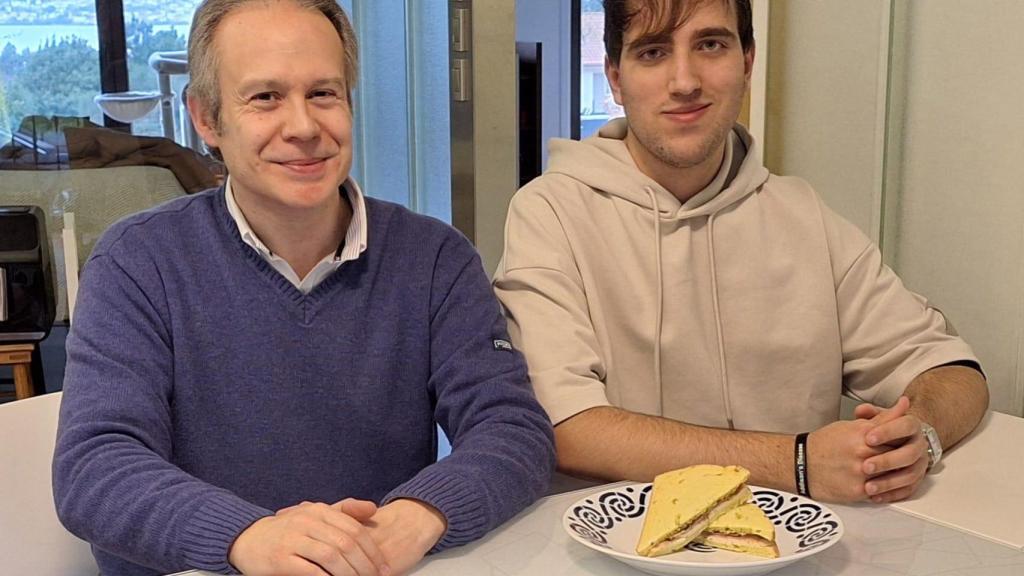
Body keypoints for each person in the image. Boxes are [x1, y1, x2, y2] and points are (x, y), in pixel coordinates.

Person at [52, 1, 554, 574]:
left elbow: (512, 429)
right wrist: (250, 536)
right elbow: (95, 467)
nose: (304, 127)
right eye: (265, 97)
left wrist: (420, 513)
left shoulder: (436, 259)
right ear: (207, 117)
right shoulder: (138, 262)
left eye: (323, 93)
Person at [493, 0, 987, 505]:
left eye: (710, 45)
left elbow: (952, 370)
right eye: (653, 51)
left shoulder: (804, 217)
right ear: (616, 79)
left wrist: (917, 436)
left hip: (791, 544)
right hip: (613, 544)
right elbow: (564, 425)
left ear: (747, 62)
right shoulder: (550, 213)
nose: (684, 81)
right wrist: (794, 462)